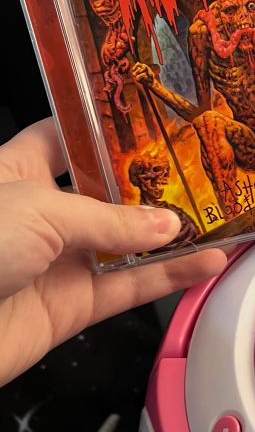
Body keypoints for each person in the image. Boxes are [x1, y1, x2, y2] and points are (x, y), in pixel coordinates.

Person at [0, 117, 226, 388]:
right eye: (152, 174)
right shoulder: (152, 219)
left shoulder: (177, 215)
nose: (159, 180)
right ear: (139, 180)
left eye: (161, 174)